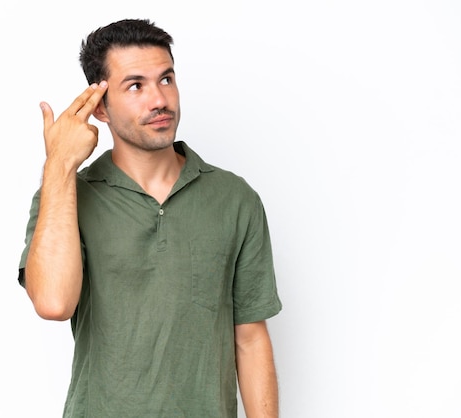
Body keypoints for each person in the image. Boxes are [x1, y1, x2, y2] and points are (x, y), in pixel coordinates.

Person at [17, 18, 282, 418]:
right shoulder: (64, 196)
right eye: (136, 85)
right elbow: (54, 303)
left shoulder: (234, 199)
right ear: (100, 108)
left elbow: (249, 337)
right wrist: (59, 166)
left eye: (167, 79)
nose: (159, 99)